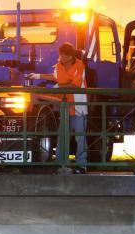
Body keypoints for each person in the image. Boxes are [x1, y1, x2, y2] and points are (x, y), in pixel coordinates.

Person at [27, 42, 87, 173]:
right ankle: (60, 163)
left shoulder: (79, 66)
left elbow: (75, 85)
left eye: (63, 56)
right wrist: (37, 75)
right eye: (60, 55)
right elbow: (55, 77)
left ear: (70, 56)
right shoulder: (59, 66)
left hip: (78, 106)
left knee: (80, 136)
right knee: (63, 135)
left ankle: (81, 165)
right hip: (65, 106)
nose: (60, 57)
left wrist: (58, 87)